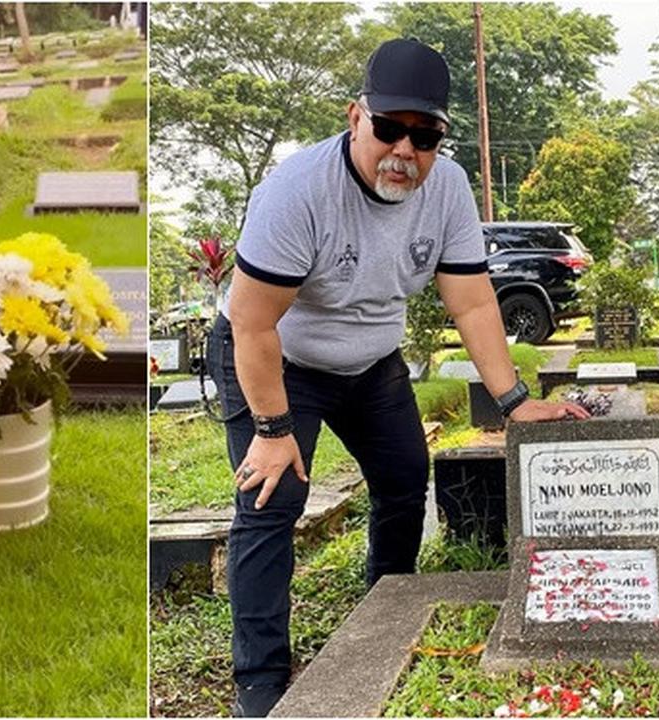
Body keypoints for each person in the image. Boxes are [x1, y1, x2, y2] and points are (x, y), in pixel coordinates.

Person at [208, 39, 589, 716]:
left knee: (405, 478)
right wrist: (271, 429)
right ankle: (260, 681)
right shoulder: (298, 193)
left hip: (368, 360)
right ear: (356, 116)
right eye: (389, 128)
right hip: (272, 358)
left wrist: (514, 400)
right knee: (271, 501)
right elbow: (253, 322)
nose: (404, 151)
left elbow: (471, 300)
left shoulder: (445, 188)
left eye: (425, 136)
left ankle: (386, 606)